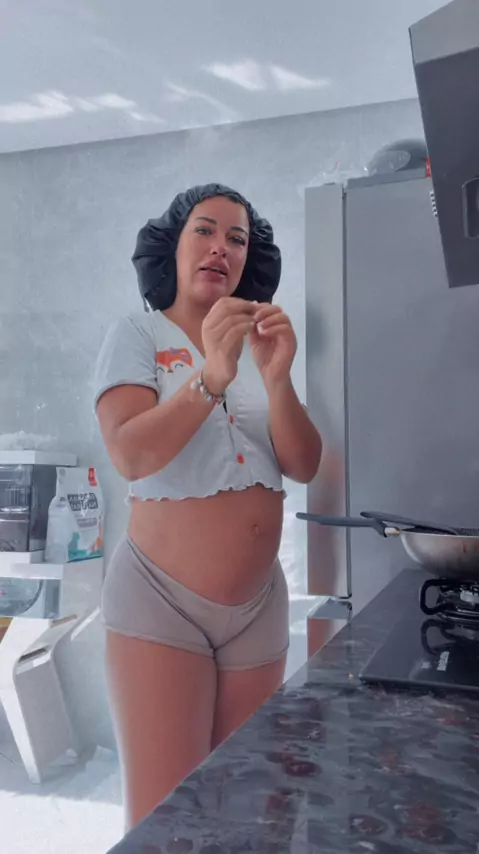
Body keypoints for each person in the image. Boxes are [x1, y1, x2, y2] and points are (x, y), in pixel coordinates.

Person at [93, 184, 322, 830]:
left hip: (258, 607)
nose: (222, 247)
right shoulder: (137, 333)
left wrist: (276, 378)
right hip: (160, 604)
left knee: (252, 810)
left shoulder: (258, 346)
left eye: (237, 239)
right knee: (168, 822)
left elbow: (304, 464)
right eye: (205, 230)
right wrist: (210, 376)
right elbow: (131, 453)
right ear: (174, 245)